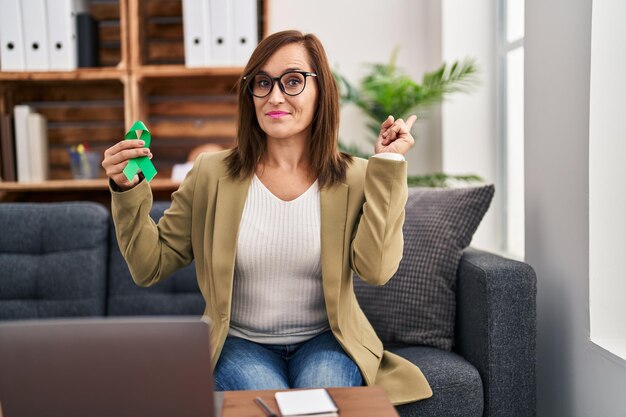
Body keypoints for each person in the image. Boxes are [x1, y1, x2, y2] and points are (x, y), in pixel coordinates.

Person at [102, 30, 432, 405]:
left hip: (326, 340)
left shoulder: (355, 176)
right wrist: (126, 191)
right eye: (262, 82)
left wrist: (388, 166)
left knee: (316, 406)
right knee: (267, 403)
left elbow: (376, 270)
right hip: (239, 343)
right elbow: (149, 266)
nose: (275, 96)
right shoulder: (211, 173)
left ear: (321, 90)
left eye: (292, 81)